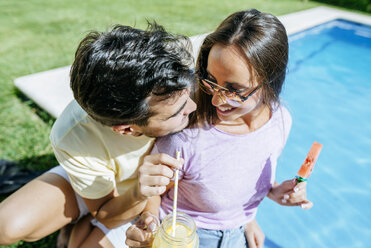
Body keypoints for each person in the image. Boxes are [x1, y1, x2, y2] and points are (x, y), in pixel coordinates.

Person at [126, 9, 313, 248]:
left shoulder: (281, 120)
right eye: (211, 80)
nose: (215, 101)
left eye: (234, 89)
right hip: (188, 237)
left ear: (269, 82)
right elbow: (154, 193)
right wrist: (148, 226)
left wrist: (270, 197)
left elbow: (241, 175)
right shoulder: (186, 138)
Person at [0, 23, 197, 248]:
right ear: (126, 129)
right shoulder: (72, 136)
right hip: (120, 194)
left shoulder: (176, 80)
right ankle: (81, 209)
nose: (192, 107)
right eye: (176, 113)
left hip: (154, 197)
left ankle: (78, 228)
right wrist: (138, 194)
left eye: (187, 95)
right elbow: (106, 213)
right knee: (6, 227)